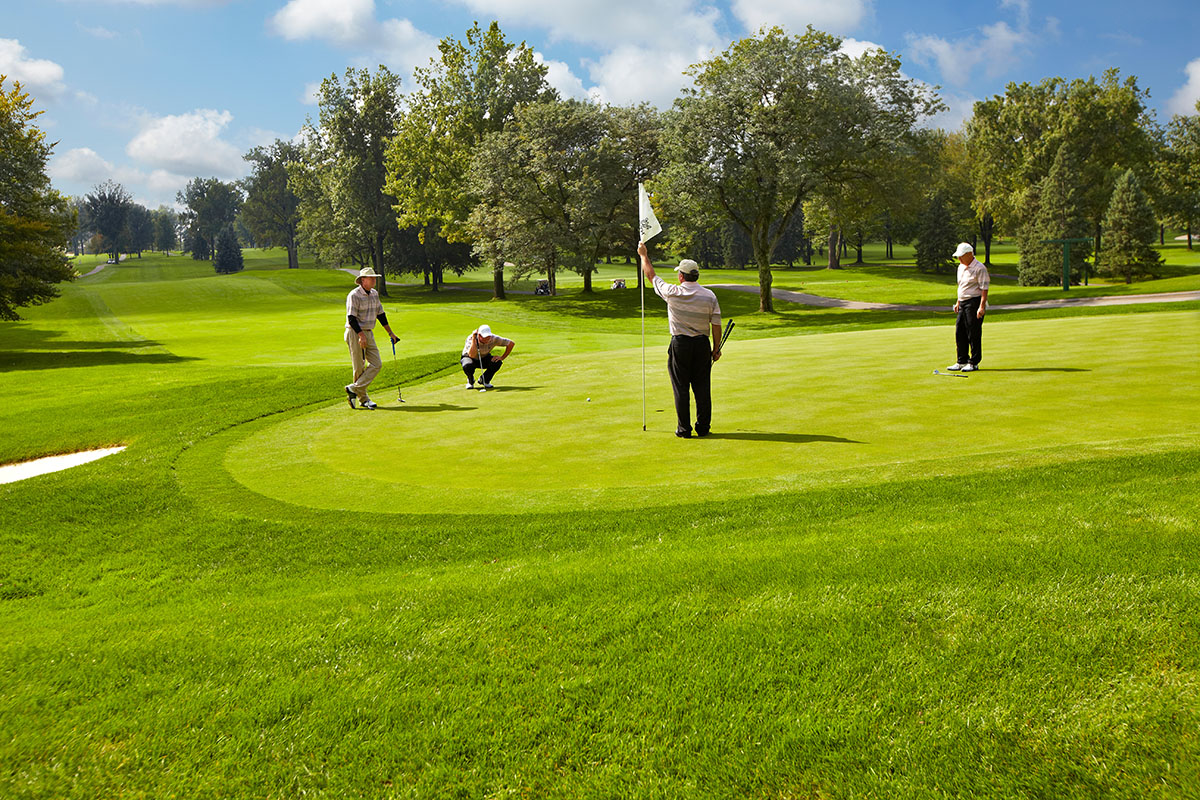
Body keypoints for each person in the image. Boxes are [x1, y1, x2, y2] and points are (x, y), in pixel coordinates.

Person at [638, 241, 722, 438]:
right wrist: (716, 349)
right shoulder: (709, 296)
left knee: (681, 387)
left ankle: (684, 429)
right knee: (702, 388)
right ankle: (703, 427)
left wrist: (644, 255)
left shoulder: (672, 292)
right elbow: (716, 325)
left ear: (681, 276)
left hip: (681, 345)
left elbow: (651, 276)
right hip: (702, 345)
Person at [344, 267, 398, 410]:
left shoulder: (374, 293)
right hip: (355, 333)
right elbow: (351, 318)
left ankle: (353, 389)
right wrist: (360, 336)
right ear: (363, 280)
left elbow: (381, 314)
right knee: (359, 367)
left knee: (376, 363)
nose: (374, 280)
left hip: (369, 331)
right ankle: (363, 399)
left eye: (375, 277)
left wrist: (390, 333)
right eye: (371, 278)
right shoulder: (354, 295)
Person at [948, 242, 990, 372]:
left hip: (975, 302)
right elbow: (961, 287)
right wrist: (958, 302)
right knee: (959, 331)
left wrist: (981, 307)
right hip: (963, 302)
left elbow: (984, 289)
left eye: (961, 256)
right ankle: (962, 360)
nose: (959, 259)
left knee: (973, 332)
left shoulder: (980, 268)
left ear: (969, 254)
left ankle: (974, 362)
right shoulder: (960, 267)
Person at [462, 324, 515, 389]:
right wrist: (474, 340)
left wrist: (502, 357)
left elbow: (511, 344)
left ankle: (484, 380)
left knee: (497, 362)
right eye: (484, 337)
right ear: (479, 335)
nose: (487, 339)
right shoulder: (471, 338)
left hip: (484, 357)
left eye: (488, 337)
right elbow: (471, 355)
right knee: (467, 365)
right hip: (469, 358)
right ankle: (470, 381)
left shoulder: (494, 338)